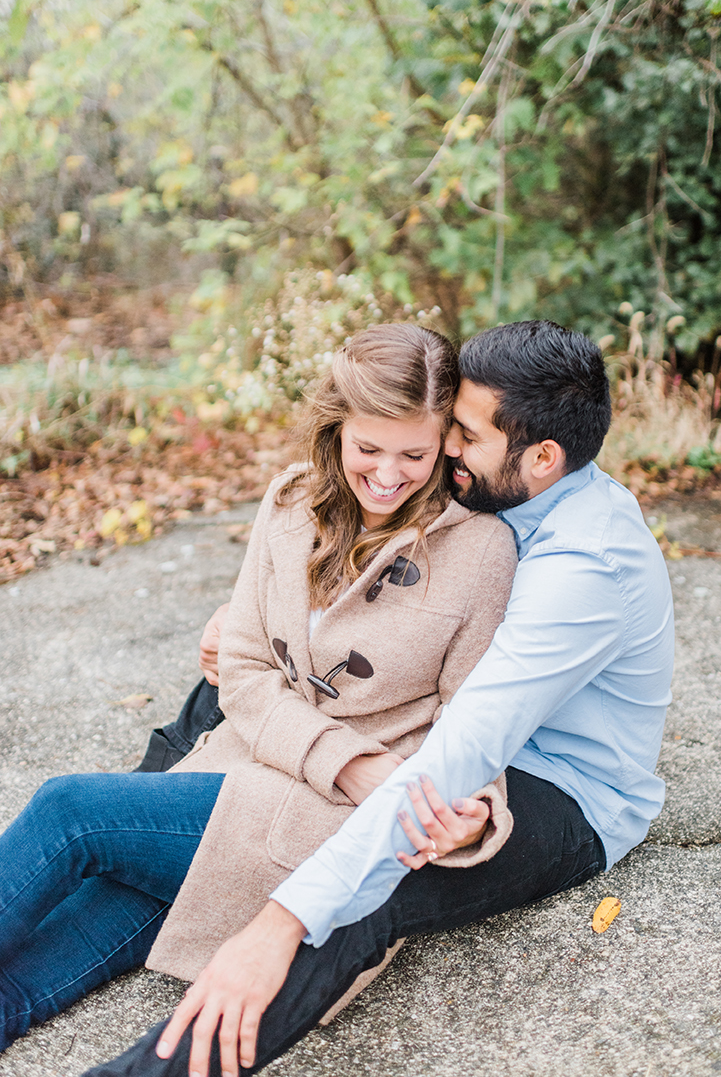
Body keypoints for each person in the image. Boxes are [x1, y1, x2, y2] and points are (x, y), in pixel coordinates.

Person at [83, 318, 675, 1077]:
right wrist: (265, 626)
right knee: (224, 689)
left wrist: (279, 922)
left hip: (556, 788)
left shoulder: (584, 571)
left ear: (542, 456)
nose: (445, 450)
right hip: (453, 723)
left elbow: (465, 750)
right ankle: (128, 846)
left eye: (462, 434)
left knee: (378, 885)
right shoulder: (519, 491)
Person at [0, 323, 522, 1054]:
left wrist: (472, 815)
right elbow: (242, 667)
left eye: (415, 452)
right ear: (336, 428)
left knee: (72, 814)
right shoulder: (288, 504)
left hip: (319, 821)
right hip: (234, 777)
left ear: (445, 445)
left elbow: (482, 723)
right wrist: (343, 756)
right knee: (28, 975)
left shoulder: (478, 548)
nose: (387, 474)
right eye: (367, 447)